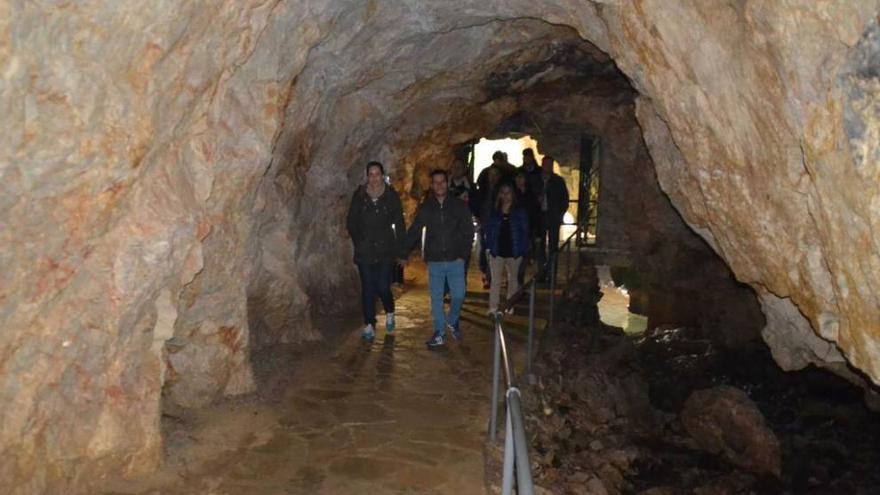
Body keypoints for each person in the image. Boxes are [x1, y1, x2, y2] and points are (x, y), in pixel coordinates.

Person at [405, 169, 475, 348]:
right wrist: (401, 250)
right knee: (436, 298)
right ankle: (439, 332)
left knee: (459, 295)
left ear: (447, 182)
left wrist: (463, 255)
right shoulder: (426, 207)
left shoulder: (459, 206)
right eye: (435, 182)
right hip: (435, 259)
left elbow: (468, 231)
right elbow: (415, 230)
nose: (439, 185)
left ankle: (452, 320)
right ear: (431, 185)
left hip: (455, 259)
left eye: (442, 181)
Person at [346, 161, 406, 341]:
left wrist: (402, 251)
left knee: (382, 285)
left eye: (377, 174)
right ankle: (369, 324)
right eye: (371, 174)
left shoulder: (391, 196)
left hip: (386, 249)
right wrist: (359, 241)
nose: (374, 178)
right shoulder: (360, 195)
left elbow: (400, 225)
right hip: (365, 250)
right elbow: (351, 221)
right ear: (367, 176)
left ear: (382, 175)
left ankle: (389, 310)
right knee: (368, 287)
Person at [484, 183, 529, 315]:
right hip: (497, 251)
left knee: (513, 279)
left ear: (513, 194)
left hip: (514, 251)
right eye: (503, 192)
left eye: (508, 192)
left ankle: (509, 305)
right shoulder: (495, 211)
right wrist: (489, 247)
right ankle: (493, 306)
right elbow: (489, 230)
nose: (505, 196)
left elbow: (524, 231)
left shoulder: (519, 212)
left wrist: (523, 248)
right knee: (495, 280)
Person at [536, 156, 570, 276]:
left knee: (553, 247)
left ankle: (551, 274)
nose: (547, 167)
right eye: (545, 164)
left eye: (549, 164)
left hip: (553, 217)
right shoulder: (536, 180)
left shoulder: (558, 181)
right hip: (539, 217)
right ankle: (541, 273)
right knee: (539, 246)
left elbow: (564, 200)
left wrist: (559, 214)